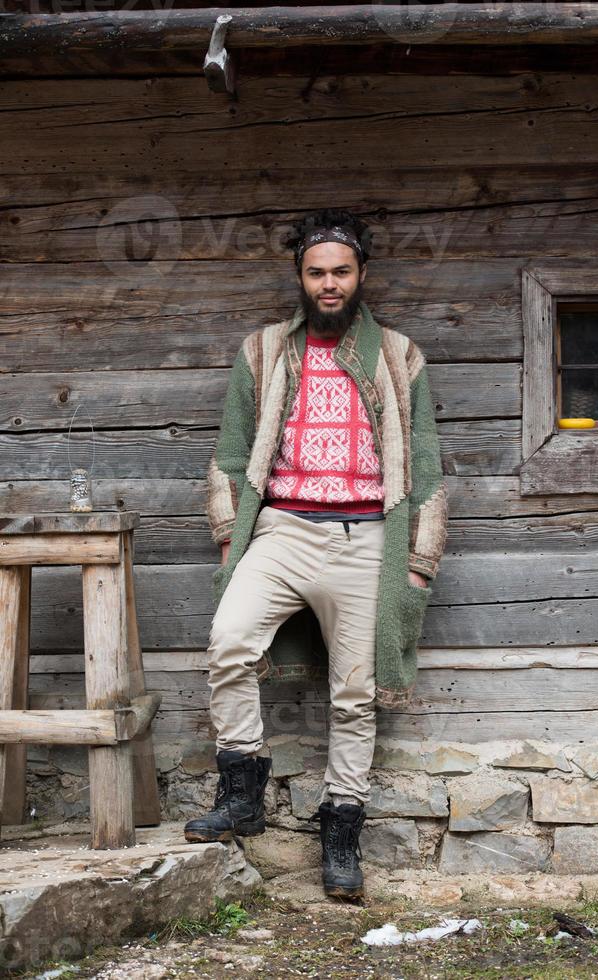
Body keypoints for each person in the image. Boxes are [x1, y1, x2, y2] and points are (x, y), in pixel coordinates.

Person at [184, 208, 448, 899]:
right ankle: (241, 790)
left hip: (367, 540)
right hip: (281, 531)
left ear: (361, 275)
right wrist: (227, 543)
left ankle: (340, 840)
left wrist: (417, 564)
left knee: (354, 696)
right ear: (299, 277)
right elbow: (231, 456)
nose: (328, 284)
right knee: (229, 641)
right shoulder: (265, 351)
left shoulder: (399, 355)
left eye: (341, 272)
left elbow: (425, 465)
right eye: (316, 273)